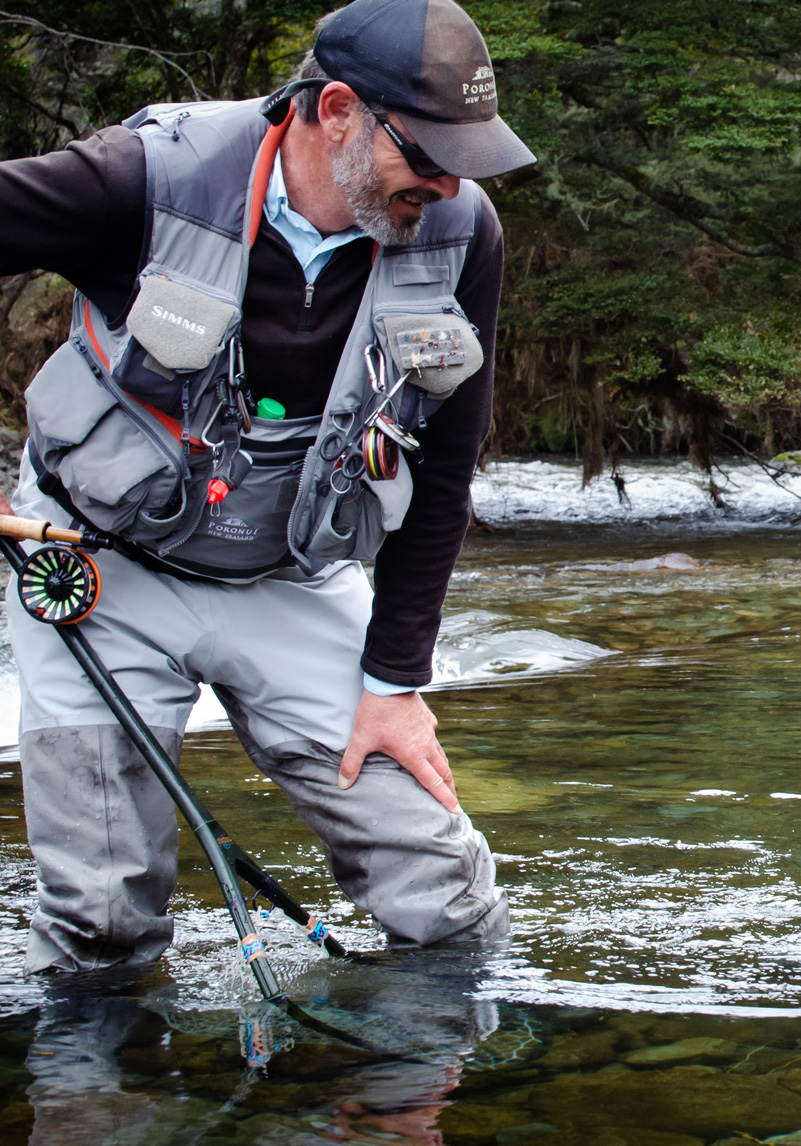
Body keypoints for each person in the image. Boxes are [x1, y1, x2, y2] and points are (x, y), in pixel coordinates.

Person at [0, 0, 535, 971]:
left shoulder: (463, 235)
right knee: (100, 928)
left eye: (467, 160)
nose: (451, 183)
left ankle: (423, 1104)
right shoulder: (138, 180)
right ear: (336, 110)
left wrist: (395, 685)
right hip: (95, 571)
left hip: (296, 579)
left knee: (444, 891)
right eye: (427, 155)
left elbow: (447, 464)